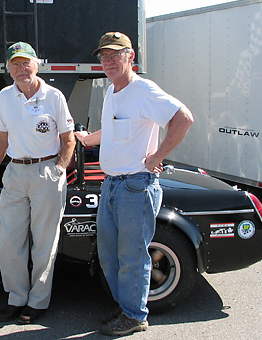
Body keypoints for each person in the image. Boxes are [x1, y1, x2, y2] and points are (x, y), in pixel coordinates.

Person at [75, 32, 194, 336]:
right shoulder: (113, 91)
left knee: (132, 256)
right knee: (109, 254)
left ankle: (135, 315)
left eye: (116, 55)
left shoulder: (144, 90)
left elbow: (183, 118)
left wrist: (157, 154)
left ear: (131, 57)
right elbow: (117, 128)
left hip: (135, 187)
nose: (109, 61)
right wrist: (89, 139)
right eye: (104, 56)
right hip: (112, 185)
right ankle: (126, 304)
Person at [0, 42, 76, 324]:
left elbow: (68, 139)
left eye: (26, 63)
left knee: (44, 243)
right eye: (15, 64)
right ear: (8, 68)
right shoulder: (5, 96)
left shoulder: (54, 96)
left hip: (46, 171)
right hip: (15, 173)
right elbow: (2, 138)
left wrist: (58, 169)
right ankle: (16, 298)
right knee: (9, 241)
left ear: (37, 65)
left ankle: (37, 302)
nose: (21, 69)